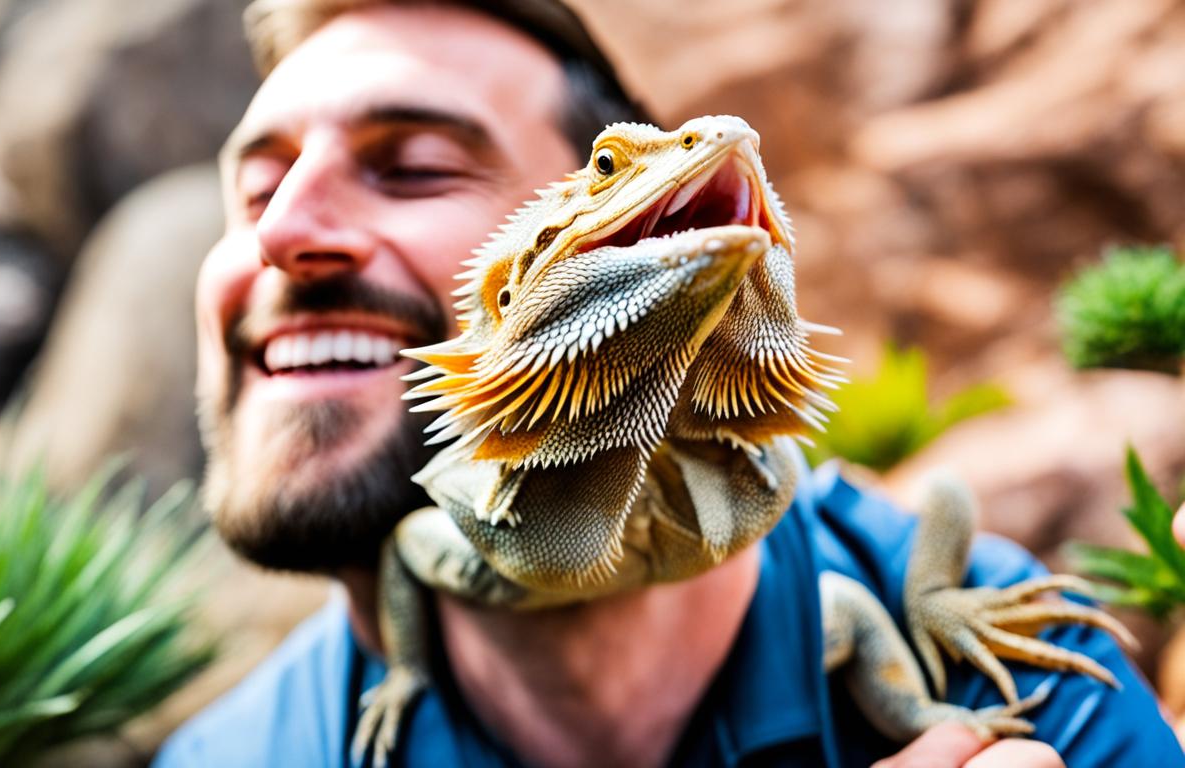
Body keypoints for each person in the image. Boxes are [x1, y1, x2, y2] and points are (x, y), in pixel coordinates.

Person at [157, 0, 1182, 765]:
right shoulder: (232, 756)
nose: (283, 230)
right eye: (255, 190)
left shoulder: (1032, 689)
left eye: (417, 165)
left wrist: (935, 633)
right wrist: (408, 678)